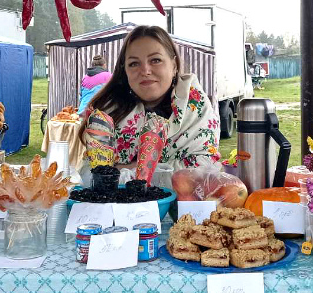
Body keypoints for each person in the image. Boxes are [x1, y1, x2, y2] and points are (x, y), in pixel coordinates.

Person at [86, 25, 220, 185]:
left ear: (174, 65)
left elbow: (205, 170)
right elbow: (89, 173)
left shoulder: (196, 107)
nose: (145, 70)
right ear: (125, 71)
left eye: (155, 60)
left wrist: (128, 168)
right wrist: (164, 170)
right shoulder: (107, 113)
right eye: (134, 63)